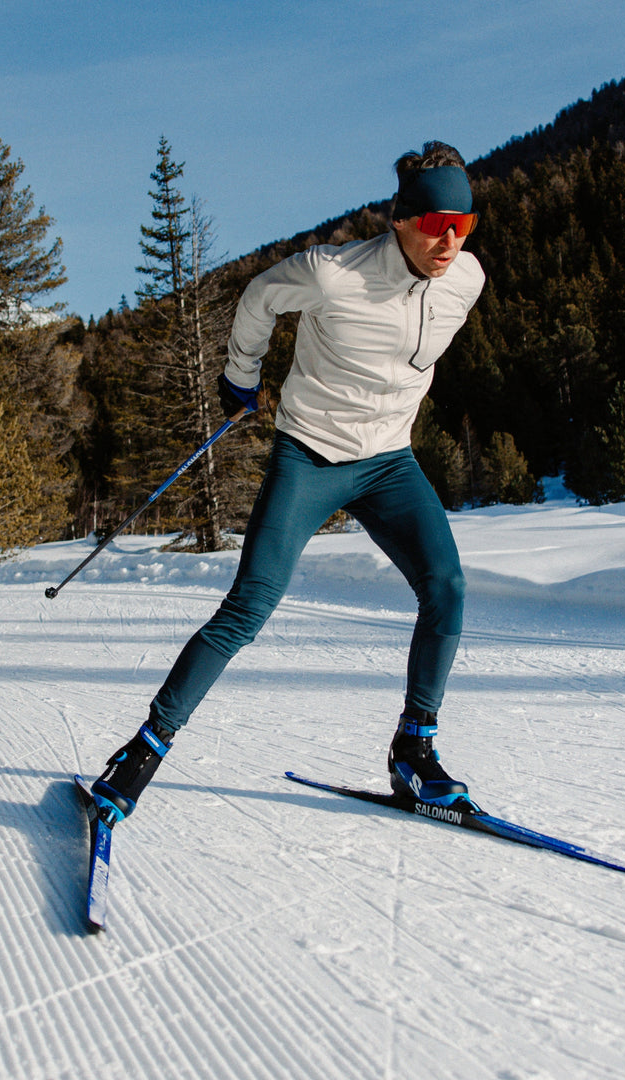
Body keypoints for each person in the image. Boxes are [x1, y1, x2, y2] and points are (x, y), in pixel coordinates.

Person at [89, 141, 485, 825]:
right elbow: (259, 295)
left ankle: (414, 752)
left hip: (390, 461)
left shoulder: (467, 279)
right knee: (249, 608)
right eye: (433, 223)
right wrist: (240, 376)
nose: (448, 239)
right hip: (310, 456)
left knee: (446, 587)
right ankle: (141, 753)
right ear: (400, 220)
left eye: (463, 224)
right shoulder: (333, 274)